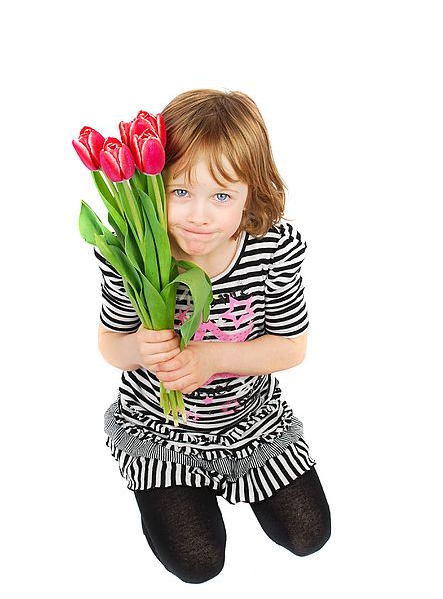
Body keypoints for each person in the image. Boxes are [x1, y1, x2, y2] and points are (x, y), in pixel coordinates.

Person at [95, 89, 331, 584]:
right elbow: (111, 345)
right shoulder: (132, 252)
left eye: (222, 195)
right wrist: (139, 347)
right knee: (199, 563)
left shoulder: (272, 251)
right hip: (159, 431)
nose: (198, 215)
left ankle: (238, 479)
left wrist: (212, 358)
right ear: (152, 184)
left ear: (251, 193)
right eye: (180, 191)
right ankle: (178, 487)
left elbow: (291, 348)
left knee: (310, 534)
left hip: (251, 424)